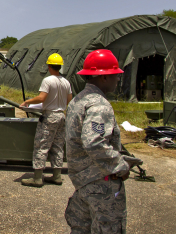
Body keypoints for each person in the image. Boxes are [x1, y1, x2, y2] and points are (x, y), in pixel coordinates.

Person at [65, 49, 142, 233]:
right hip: (101, 184)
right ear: (103, 78)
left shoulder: (78, 100)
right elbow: (94, 142)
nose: (118, 79)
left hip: (83, 183)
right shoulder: (98, 104)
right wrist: (120, 165)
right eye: (114, 75)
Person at [20, 53, 72, 187]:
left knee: (41, 146)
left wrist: (28, 101)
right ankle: (57, 176)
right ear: (60, 66)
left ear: (49, 66)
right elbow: (69, 101)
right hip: (61, 116)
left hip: (50, 117)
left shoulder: (48, 81)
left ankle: (37, 178)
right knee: (58, 146)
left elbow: (42, 98)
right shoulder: (66, 82)